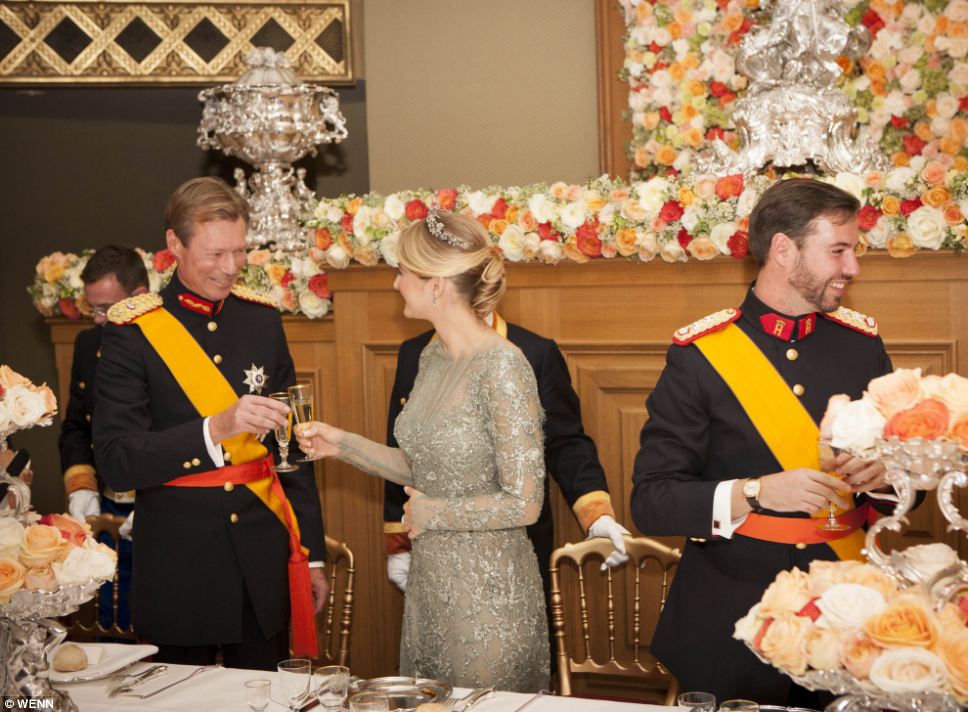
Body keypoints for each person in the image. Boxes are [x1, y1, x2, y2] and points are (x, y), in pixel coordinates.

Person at [630, 178, 896, 705]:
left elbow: (903, 490)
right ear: (782, 249)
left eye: (854, 251)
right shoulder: (700, 355)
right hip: (734, 624)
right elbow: (651, 501)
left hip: (848, 612)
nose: (852, 268)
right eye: (838, 251)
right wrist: (755, 492)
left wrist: (888, 478)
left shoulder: (862, 346)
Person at [296, 209, 549, 692]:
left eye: (402, 273)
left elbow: (526, 502)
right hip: (430, 587)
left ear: (436, 285)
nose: (395, 284)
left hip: (488, 597)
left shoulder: (503, 368)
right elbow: (424, 467)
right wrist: (343, 445)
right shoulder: (431, 356)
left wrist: (435, 512)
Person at [93, 177, 328, 670]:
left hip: (261, 565)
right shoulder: (133, 333)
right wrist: (213, 430)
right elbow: (117, 462)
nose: (230, 268)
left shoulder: (261, 320)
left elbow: (292, 447)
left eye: (239, 252)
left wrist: (310, 553)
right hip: (181, 568)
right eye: (215, 254)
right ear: (174, 245)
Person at [59, 245, 148, 633]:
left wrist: (157, 501)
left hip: (162, 511)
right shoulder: (87, 344)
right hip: (107, 511)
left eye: (108, 309)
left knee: (158, 633)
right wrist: (81, 488)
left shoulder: (173, 345)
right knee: (111, 626)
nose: (100, 320)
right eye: (94, 309)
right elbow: (77, 425)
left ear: (141, 295)